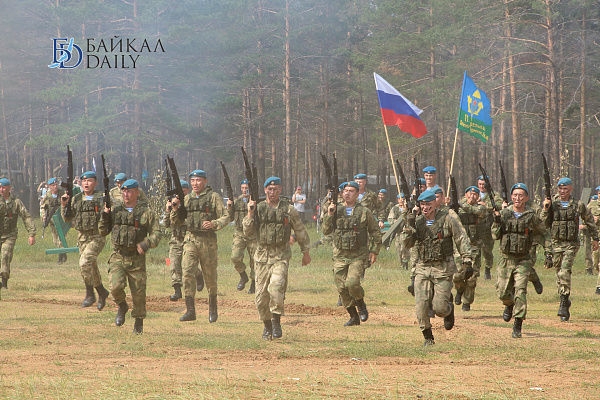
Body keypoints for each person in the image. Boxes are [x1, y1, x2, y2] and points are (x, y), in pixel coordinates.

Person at [402, 188, 473, 346]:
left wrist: (467, 260)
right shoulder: (417, 221)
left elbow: (461, 238)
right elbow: (407, 244)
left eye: (428, 204)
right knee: (421, 305)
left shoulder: (448, 217)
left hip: (443, 268)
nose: (425, 207)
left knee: (439, 308)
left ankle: (449, 308)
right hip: (423, 267)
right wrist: (409, 224)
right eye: (422, 204)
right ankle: (428, 337)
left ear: (435, 202)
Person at [243, 176, 311, 340]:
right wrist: (250, 213)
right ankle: (267, 326)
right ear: (265, 190)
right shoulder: (257, 209)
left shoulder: (288, 210)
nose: (272, 192)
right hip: (261, 258)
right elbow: (247, 232)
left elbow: (300, 230)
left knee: (276, 288)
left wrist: (305, 252)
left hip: (280, 255)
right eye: (269, 189)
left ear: (280, 190)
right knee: (260, 299)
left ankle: (276, 322)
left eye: (276, 189)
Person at [99, 179, 161, 334]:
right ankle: (122, 305)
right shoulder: (115, 210)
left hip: (136, 258)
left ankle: (138, 322)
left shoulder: (146, 212)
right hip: (118, 256)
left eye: (130, 191)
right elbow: (102, 231)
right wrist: (104, 216)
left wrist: (146, 244)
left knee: (138, 293)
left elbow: (157, 233)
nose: (126, 194)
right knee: (115, 287)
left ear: (137, 193)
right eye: (124, 191)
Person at [170, 169, 229, 323]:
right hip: (190, 239)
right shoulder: (187, 199)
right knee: (187, 272)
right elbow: (176, 222)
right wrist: (175, 209)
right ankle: (190, 311)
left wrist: (214, 223)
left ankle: (213, 309)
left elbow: (226, 216)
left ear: (205, 181)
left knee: (210, 276)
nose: (195, 183)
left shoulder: (213, 197)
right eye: (193, 181)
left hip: (207, 241)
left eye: (198, 180)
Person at [322, 181, 381, 326]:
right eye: (345, 191)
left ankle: (360, 304)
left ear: (357, 193)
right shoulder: (336, 210)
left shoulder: (364, 212)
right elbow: (325, 230)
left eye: (351, 191)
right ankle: (353, 316)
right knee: (341, 288)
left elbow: (375, 232)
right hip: (340, 255)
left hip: (358, 255)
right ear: (341, 194)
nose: (347, 193)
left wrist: (374, 251)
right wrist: (329, 214)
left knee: (352, 283)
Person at [492, 183, 547, 338]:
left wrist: (549, 252)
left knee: (520, 290)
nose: (517, 198)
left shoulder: (531, 216)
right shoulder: (504, 214)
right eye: (515, 195)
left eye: (521, 195)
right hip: (505, 259)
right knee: (502, 293)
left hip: (523, 259)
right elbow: (495, 235)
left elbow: (543, 233)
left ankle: (518, 324)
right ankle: (509, 305)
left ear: (526, 198)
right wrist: (496, 221)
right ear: (511, 197)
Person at [541, 177, 599, 321]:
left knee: (565, 270)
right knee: (559, 273)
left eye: (565, 189)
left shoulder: (578, 205)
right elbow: (541, 223)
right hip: (556, 244)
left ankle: (563, 302)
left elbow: (589, 220)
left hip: (571, 244)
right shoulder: (552, 204)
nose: (562, 191)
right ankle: (565, 300)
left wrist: (595, 238)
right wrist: (545, 208)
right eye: (560, 189)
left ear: (571, 189)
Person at [61, 171, 110, 310]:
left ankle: (90, 294)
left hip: (97, 236)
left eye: (89, 181)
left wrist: (107, 213)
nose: (86, 183)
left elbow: (110, 217)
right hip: (82, 237)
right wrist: (64, 205)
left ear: (96, 182)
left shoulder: (102, 198)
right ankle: (101, 291)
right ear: (81, 183)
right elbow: (67, 218)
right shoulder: (76, 198)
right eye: (84, 181)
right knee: (91, 267)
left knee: (84, 263)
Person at [165, 179, 204, 301]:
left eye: (184, 190)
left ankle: (198, 275)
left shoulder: (191, 204)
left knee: (188, 265)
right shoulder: (172, 203)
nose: (181, 193)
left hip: (188, 239)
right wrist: (168, 210)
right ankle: (177, 290)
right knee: (174, 264)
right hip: (175, 239)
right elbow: (166, 224)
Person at [454, 186, 488, 311]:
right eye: (470, 194)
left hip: (474, 246)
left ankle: (467, 302)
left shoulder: (481, 208)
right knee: (458, 275)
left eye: (475, 194)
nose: (472, 196)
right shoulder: (458, 207)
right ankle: (459, 290)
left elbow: (478, 212)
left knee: (472, 276)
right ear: (465, 194)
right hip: (459, 247)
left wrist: (460, 205)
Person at [0, 177, 36, 290]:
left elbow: (26, 217)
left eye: (3, 187)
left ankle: (4, 282)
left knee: (5, 256)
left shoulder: (16, 202)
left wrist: (31, 233)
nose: (1, 189)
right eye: (0, 187)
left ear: (9, 188)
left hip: (9, 235)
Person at [228, 179, 257, 294]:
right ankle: (243, 276)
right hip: (239, 233)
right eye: (243, 188)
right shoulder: (237, 201)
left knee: (254, 260)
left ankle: (254, 283)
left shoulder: (256, 201)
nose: (245, 190)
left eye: (247, 188)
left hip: (253, 234)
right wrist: (229, 207)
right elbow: (230, 218)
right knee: (235, 257)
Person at [41, 177, 66, 264]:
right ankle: (63, 253)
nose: (55, 187)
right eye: (53, 185)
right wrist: (44, 217)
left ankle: (61, 256)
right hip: (52, 221)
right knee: (55, 240)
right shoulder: (47, 196)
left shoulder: (62, 193)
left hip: (62, 220)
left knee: (60, 239)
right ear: (49, 187)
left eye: (56, 185)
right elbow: (43, 207)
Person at [477, 175, 497, 280]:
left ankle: (487, 269)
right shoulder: (473, 193)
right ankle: (475, 270)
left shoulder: (493, 195)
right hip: (476, 228)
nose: (481, 186)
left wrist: (484, 204)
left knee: (487, 250)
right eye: (479, 184)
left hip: (488, 227)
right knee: (475, 250)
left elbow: (496, 205)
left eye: (483, 184)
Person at [388, 193, 409, 270]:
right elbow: (390, 219)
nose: (402, 200)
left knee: (404, 248)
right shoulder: (394, 208)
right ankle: (401, 264)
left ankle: (405, 263)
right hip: (397, 232)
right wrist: (395, 221)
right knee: (398, 249)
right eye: (400, 199)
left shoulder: (407, 208)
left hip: (405, 231)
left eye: (403, 198)